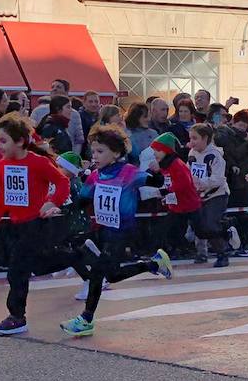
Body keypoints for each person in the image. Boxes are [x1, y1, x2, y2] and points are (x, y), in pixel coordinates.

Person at [59, 124, 172, 339]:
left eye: (101, 151)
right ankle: (153, 264)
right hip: (103, 230)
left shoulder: (129, 173)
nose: (95, 156)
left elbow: (155, 182)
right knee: (111, 274)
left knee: (98, 273)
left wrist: (157, 170)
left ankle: (86, 319)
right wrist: (61, 207)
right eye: (93, 151)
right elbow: (82, 201)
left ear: (117, 153)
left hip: (122, 232)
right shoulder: (95, 176)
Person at [0, 113, 71, 336]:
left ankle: (17, 317)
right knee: (39, 264)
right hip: (16, 224)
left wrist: (52, 202)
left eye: (3, 141)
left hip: (36, 223)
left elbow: (62, 182)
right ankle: (80, 256)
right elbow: (4, 193)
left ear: (20, 141)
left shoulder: (38, 162)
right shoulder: (3, 165)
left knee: (17, 271)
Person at [185, 122, 230, 267]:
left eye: (194, 138)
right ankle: (201, 252)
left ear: (205, 138)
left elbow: (219, 178)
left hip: (217, 194)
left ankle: (222, 253)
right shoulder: (192, 153)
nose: (191, 142)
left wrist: (201, 182)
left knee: (209, 223)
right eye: (190, 138)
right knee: (198, 225)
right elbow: (188, 170)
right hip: (199, 195)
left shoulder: (215, 155)